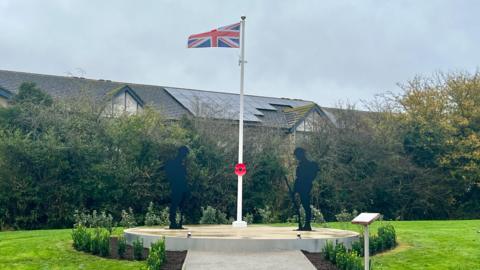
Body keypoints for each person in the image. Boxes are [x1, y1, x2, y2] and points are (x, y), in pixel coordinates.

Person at [294, 147, 318, 231]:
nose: (296, 157)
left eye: (297, 155)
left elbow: (303, 178)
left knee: (306, 205)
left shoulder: (307, 165)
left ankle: (307, 225)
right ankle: (304, 225)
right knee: (304, 205)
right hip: (301, 187)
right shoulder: (301, 164)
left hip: (305, 187)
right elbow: (298, 178)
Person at [164, 146, 189, 229]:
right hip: (176, 186)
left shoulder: (182, 162)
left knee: (182, 204)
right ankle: (173, 222)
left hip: (183, 186)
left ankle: (180, 222)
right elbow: (170, 174)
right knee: (175, 203)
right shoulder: (174, 162)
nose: (185, 155)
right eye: (185, 153)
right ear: (181, 152)